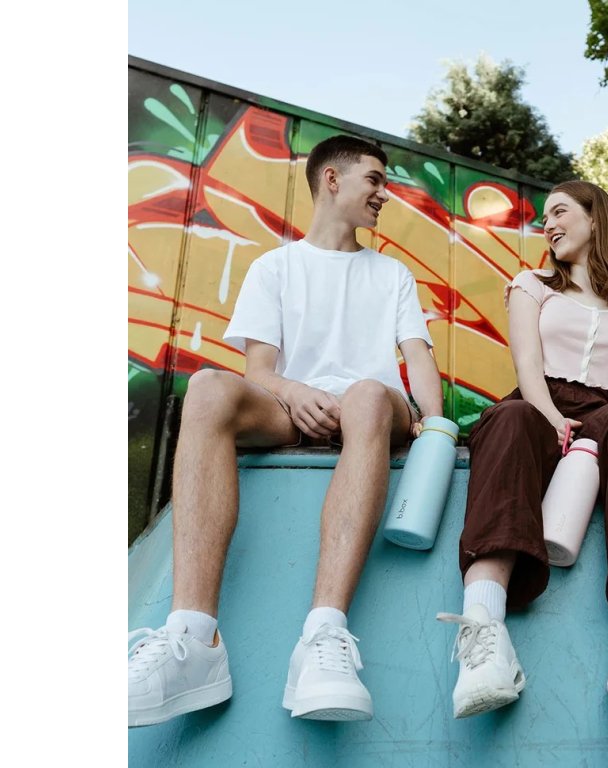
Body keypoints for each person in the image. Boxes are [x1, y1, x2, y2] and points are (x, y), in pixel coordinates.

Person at [127, 135, 444, 727]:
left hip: (374, 412)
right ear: (332, 179)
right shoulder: (273, 267)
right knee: (209, 387)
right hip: (292, 409)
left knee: (367, 395)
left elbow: (417, 356)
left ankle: (324, 636)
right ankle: (193, 639)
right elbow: (260, 371)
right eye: (375, 180)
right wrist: (297, 394)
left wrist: (435, 423)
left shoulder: (392, 273)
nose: (385, 194)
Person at [436, 180, 608, 720]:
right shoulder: (530, 285)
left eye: (559, 212)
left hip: (607, 412)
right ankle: (483, 631)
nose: (547, 224)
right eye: (544, 217)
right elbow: (527, 366)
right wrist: (554, 420)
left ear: (596, 218)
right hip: (537, 404)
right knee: (508, 420)